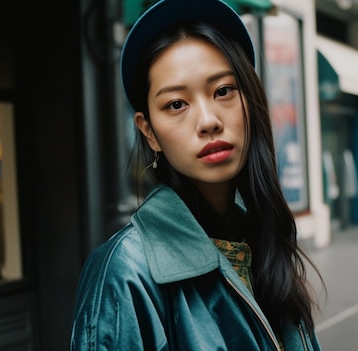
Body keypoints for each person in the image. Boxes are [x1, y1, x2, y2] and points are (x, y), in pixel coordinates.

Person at [70, 0, 324, 350]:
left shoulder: (262, 240)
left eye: (223, 91)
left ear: (250, 100)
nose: (208, 121)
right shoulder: (125, 272)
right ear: (149, 133)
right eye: (176, 104)